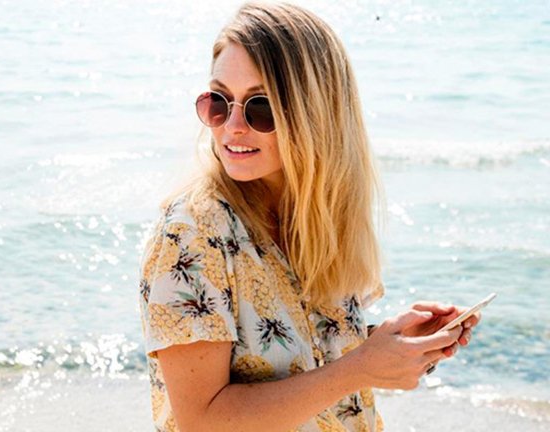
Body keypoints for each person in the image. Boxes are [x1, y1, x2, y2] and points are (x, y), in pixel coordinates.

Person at [137, 2, 480, 431]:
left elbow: (304, 355)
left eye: (260, 108)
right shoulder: (191, 235)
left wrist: (391, 348)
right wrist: (360, 368)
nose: (233, 126)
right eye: (219, 102)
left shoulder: (318, 218)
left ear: (315, 112)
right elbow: (202, 421)